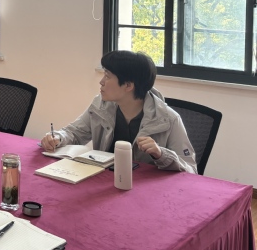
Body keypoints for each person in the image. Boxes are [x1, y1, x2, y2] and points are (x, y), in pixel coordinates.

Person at [41, 50, 197, 173]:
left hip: (145, 193)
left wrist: (161, 154)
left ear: (128, 85)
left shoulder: (168, 119)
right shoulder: (101, 105)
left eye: (107, 76)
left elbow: (190, 170)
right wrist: (58, 137)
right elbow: (75, 133)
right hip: (104, 182)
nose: (101, 82)